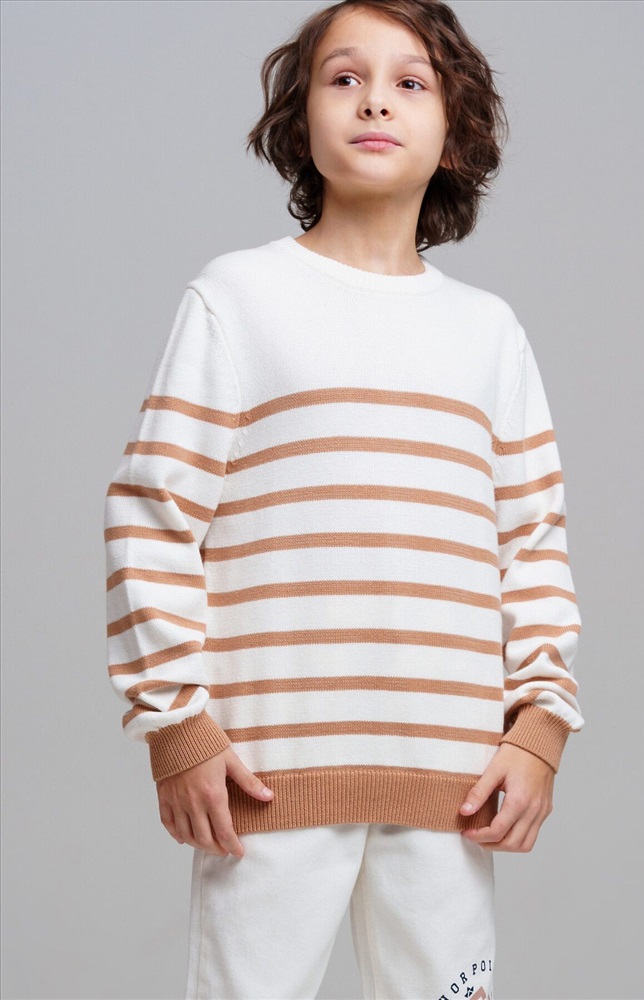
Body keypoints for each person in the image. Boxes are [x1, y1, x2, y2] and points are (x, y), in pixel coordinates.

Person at [103, 1, 584, 997]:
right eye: (344, 77)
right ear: (301, 118)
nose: (375, 100)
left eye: (410, 82)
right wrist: (177, 723)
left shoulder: (490, 333)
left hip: (453, 786)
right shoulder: (237, 299)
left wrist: (540, 724)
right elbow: (153, 516)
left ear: (455, 128)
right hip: (263, 779)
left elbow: (532, 543)